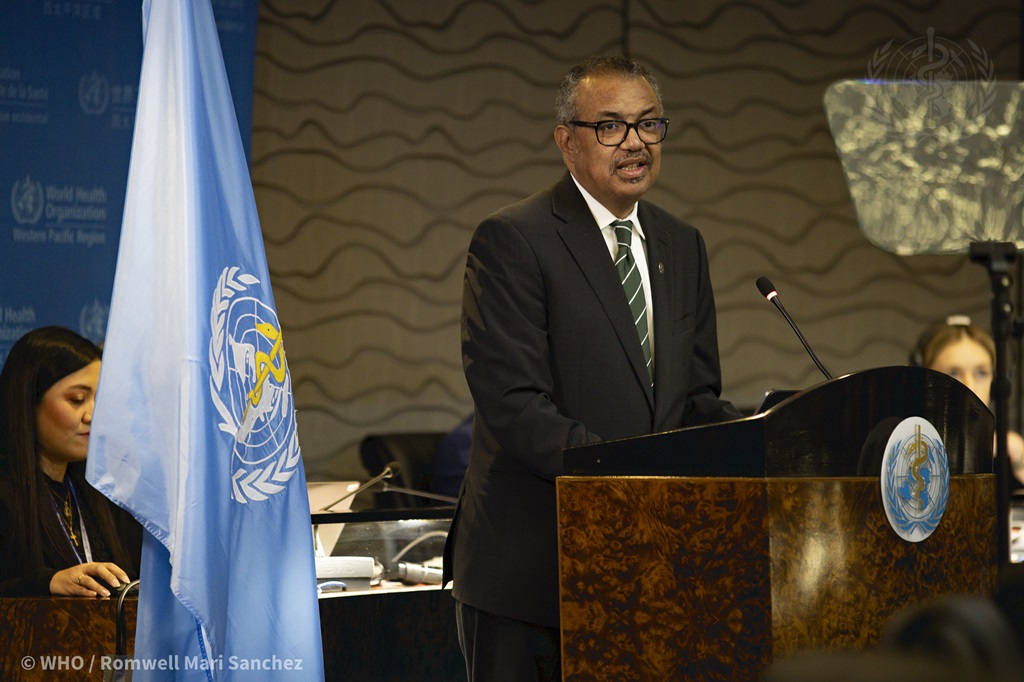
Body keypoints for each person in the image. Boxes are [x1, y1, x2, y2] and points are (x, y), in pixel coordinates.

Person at [442, 55, 741, 681]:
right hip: (533, 574)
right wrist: (630, 482)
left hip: (652, 568)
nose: (634, 143)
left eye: (648, 124)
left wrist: (753, 442)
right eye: (610, 126)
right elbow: (515, 404)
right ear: (567, 142)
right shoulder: (514, 239)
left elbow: (697, 397)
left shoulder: (682, 244)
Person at [0, 326, 141, 597]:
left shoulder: (106, 490)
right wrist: (47, 583)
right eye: (77, 399)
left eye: (99, 399)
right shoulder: (7, 493)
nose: (92, 415)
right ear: (28, 401)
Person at [912, 316, 1024, 487]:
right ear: (924, 383)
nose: (969, 386)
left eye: (981, 373)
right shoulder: (905, 452)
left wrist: (1019, 461)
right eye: (953, 373)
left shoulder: (1008, 452)